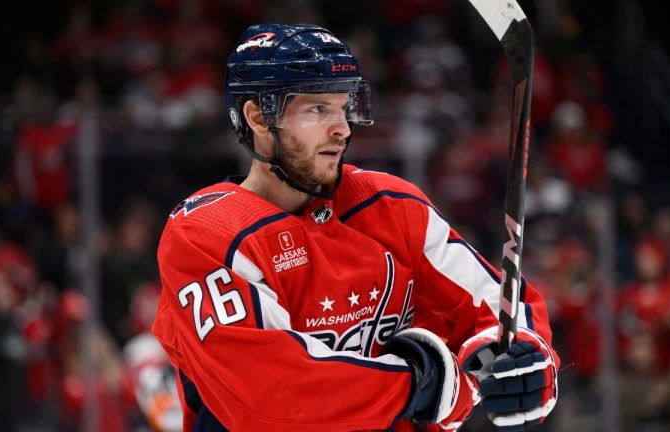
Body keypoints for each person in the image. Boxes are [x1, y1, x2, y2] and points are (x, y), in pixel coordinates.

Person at [152, 23, 559, 431]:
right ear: (259, 117)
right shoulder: (206, 234)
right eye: (318, 109)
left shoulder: (392, 205)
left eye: (344, 107)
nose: (343, 129)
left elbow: (501, 306)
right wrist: (424, 386)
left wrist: (524, 360)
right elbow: (275, 393)